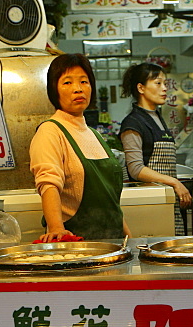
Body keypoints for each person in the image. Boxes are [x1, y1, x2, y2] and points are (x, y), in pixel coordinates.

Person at [30, 53, 130, 242]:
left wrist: (128, 238)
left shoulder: (95, 134)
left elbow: (110, 202)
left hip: (114, 243)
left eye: (84, 82)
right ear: (54, 90)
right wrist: (56, 228)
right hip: (77, 246)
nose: (78, 89)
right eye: (67, 83)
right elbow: (48, 183)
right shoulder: (50, 131)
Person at [119, 62, 192, 234]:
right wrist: (174, 182)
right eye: (158, 83)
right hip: (150, 206)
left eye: (165, 84)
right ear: (141, 88)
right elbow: (136, 169)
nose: (164, 88)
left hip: (168, 201)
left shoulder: (157, 118)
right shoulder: (133, 123)